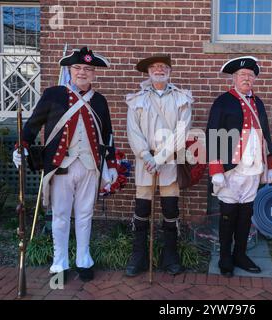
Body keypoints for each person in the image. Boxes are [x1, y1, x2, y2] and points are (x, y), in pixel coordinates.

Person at [12, 46, 118, 282]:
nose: (83, 72)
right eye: (78, 67)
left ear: (94, 73)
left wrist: (110, 165)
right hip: (60, 166)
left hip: (90, 166)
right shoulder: (53, 94)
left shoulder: (99, 101)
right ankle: (59, 262)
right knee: (60, 215)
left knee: (85, 214)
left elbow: (108, 135)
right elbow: (31, 126)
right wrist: (21, 147)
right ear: (70, 70)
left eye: (88, 69)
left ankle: (83, 259)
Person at [206, 56, 272, 277]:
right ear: (234, 78)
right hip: (231, 168)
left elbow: (266, 134)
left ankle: (241, 254)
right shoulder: (223, 101)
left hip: (254, 167)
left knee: (246, 213)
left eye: (250, 75)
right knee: (228, 212)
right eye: (242, 75)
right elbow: (213, 134)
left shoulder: (258, 102)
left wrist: (270, 163)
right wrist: (216, 169)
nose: (246, 78)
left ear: (254, 79)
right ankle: (225, 257)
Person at [125, 54, 192, 276]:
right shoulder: (137, 100)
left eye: (163, 66)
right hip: (145, 163)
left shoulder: (182, 99)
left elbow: (182, 131)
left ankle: (170, 255)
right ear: (148, 72)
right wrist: (146, 156)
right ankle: (139, 255)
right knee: (142, 210)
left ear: (170, 70)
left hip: (169, 161)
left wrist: (160, 157)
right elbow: (132, 131)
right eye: (154, 67)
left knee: (170, 209)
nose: (159, 70)